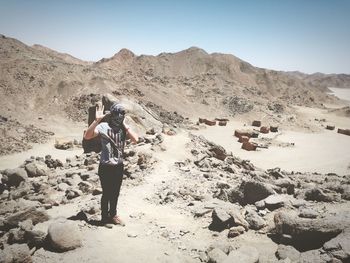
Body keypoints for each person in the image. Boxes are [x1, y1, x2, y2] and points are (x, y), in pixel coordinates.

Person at [84, 102, 138, 227]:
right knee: (107, 193)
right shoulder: (103, 126)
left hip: (118, 166)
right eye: (117, 114)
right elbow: (87, 136)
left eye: (121, 115)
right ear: (112, 114)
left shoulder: (123, 129)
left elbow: (136, 140)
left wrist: (125, 126)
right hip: (105, 167)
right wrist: (96, 121)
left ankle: (113, 215)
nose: (119, 117)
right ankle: (104, 217)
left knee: (115, 193)